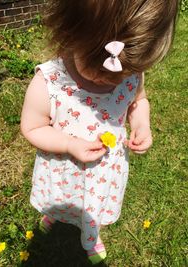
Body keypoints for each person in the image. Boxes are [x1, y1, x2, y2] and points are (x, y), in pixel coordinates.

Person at [20, 0, 179, 264]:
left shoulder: (130, 74)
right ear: (69, 34)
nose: (114, 80)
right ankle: (55, 213)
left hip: (103, 173)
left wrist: (142, 124)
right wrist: (69, 144)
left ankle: (91, 234)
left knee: (94, 204)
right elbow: (33, 127)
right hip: (63, 168)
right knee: (60, 197)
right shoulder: (49, 82)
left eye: (125, 74)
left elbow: (138, 101)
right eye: (99, 73)